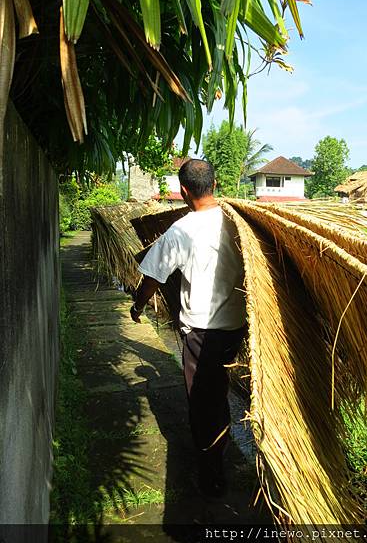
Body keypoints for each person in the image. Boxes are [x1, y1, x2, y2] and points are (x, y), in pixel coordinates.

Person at [130, 159, 247, 498]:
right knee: (215, 390)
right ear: (214, 183)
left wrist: (138, 305)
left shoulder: (182, 230)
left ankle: (212, 476)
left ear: (183, 191)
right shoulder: (237, 223)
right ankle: (218, 449)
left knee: (202, 402)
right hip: (235, 326)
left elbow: (152, 277)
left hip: (201, 331)